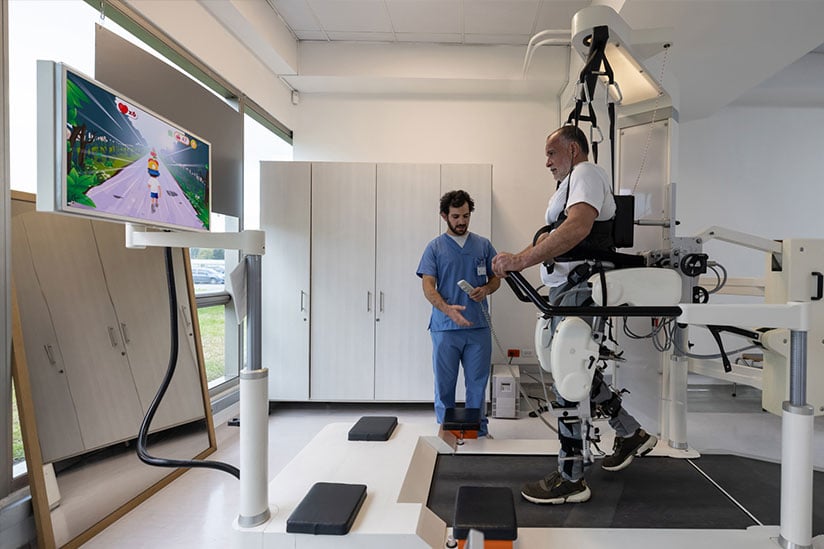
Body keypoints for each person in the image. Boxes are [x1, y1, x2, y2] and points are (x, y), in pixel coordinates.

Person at [492, 125, 657, 504]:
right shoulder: (570, 184)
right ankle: (630, 432)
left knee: (569, 373)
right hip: (569, 288)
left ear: (572, 149)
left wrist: (521, 260)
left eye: (551, 153)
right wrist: (515, 259)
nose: (547, 162)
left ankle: (572, 478)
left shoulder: (586, 173)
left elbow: (578, 227)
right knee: (577, 369)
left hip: (583, 286)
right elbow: (552, 238)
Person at [417, 190, 501, 437]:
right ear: (444, 216)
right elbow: (428, 286)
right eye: (456, 216)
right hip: (445, 329)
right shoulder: (435, 248)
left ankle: (477, 431)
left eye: (466, 216)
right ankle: (447, 432)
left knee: (477, 384)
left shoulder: (483, 245)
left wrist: (486, 289)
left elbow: (496, 278)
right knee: (445, 385)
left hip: (478, 327)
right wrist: (447, 310)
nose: (462, 221)